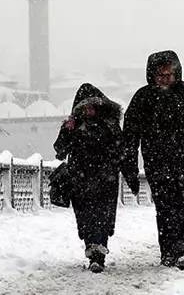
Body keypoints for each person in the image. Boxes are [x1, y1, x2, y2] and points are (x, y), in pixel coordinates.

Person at [121, 50, 184, 271]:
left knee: (183, 204)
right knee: (164, 206)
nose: (165, 78)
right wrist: (129, 164)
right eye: (161, 74)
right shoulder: (143, 98)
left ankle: (182, 251)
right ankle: (168, 251)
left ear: (176, 73)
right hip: (156, 161)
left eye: (169, 74)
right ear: (152, 75)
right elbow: (130, 135)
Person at [53, 83, 139, 273]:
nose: (89, 110)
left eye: (92, 106)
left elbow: (122, 153)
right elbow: (60, 151)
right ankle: (92, 248)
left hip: (105, 181)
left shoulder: (110, 127)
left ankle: (97, 254)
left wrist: (131, 177)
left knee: (102, 217)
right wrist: (67, 130)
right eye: (85, 107)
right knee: (85, 218)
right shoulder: (74, 127)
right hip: (80, 181)